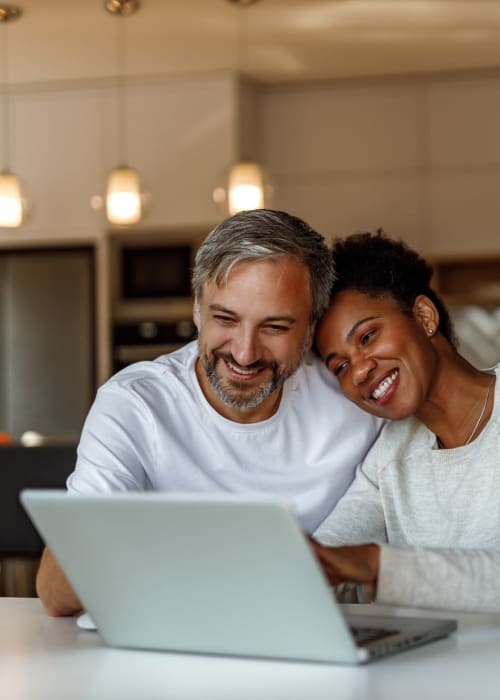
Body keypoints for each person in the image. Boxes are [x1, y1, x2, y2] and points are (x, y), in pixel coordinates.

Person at [37, 209, 381, 616]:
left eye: (275, 327)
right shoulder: (135, 405)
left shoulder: (356, 401)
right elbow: (57, 592)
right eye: (225, 318)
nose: (244, 352)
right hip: (175, 644)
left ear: (309, 330)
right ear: (198, 309)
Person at [311, 230, 500, 613]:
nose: (360, 372)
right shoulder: (389, 458)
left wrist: (379, 565)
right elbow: (328, 554)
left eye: (368, 336)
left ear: (424, 316)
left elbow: (363, 561)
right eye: (341, 366)